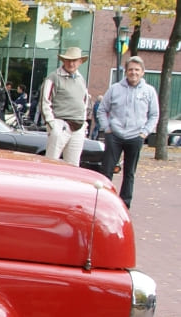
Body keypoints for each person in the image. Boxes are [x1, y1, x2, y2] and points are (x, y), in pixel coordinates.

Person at [96, 57, 160, 207]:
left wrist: (144, 133)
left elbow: (154, 115)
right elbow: (102, 110)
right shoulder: (114, 89)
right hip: (115, 135)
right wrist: (107, 129)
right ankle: (103, 202)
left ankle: (125, 204)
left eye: (137, 70)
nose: (133, 72)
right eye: (131, 69)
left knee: (129, 173)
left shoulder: (149, 91)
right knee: (107, 170)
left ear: (143, 72)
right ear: (126, 71)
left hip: (135, 137)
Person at [40, 46, 89, 165]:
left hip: (78, 126)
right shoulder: (54, 77)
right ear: (64, 61)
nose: (71, 63)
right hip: (61, 124)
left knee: (73, 165)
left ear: (80, 62)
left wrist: (84, 122)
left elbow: (84, 101)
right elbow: (45, 101)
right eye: (68, 60)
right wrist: (52, 125)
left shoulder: (80, 79)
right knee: (51, 163)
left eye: (74, 60)